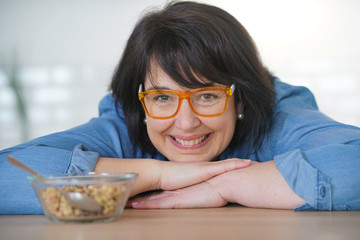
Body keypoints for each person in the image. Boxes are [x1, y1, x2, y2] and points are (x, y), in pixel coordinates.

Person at [1, 1, 359, 214]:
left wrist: (225, 185)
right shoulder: (125, 121)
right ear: (141, 101)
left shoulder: (279, 115)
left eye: (206, 95)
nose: (184, 123)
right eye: (162, 97)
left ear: (242, 98)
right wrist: (157, 174)